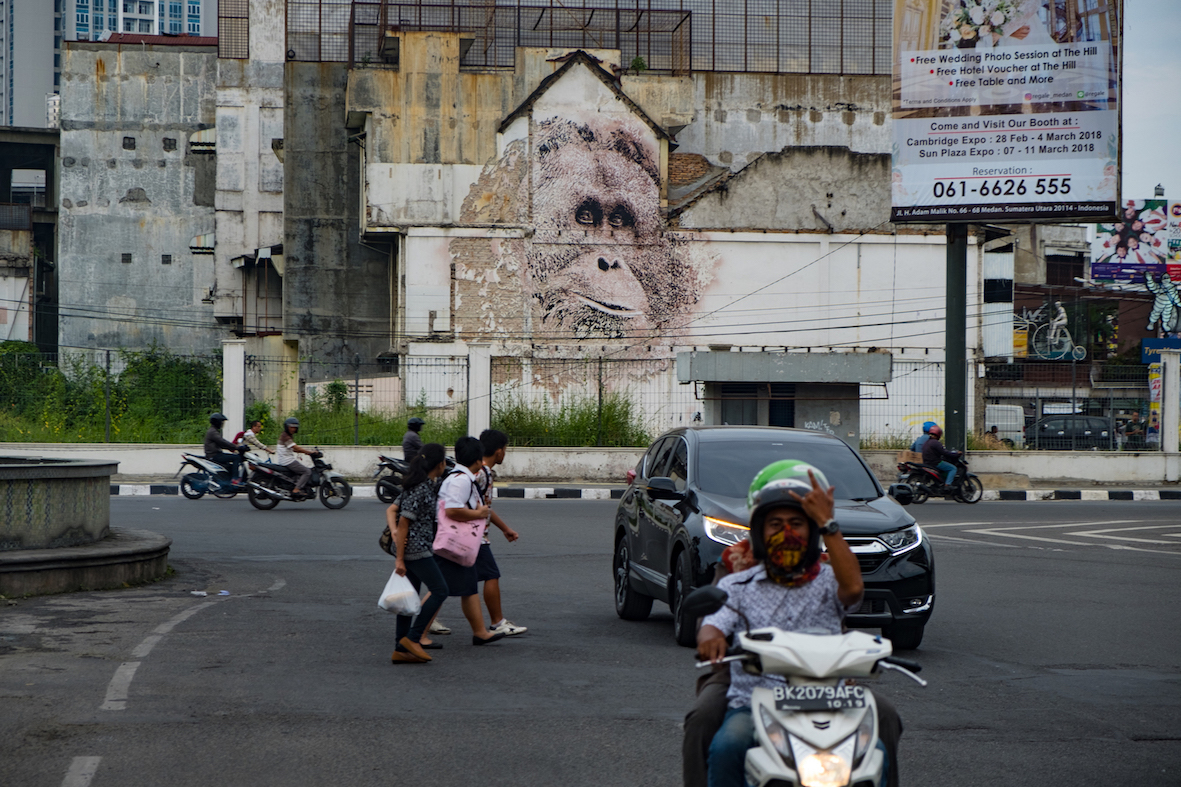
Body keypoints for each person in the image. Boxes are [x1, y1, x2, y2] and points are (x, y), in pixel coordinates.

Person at [696, 461, 902, 787]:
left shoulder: (829, 580)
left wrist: (828, 522)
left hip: (831, 702)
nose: (787, 532)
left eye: (797, 523)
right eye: (775, 524)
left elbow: (853, 590)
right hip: (757, 701)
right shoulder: (739, 584)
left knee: (874, 746)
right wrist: (711, 636)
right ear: (760, 532)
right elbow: (714, 622)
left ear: (812, 533)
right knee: (727, 745)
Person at [436, 436, 506, 646]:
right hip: (458, 541)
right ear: (477, 459)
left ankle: (480, 632)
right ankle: (417, 634)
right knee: (443, 588)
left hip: (460, 541)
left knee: (465, 588)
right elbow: (452, 509)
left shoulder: (460, 477)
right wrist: (479, 514)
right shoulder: (462, 479)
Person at [389, 442, 451, 664]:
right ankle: (413, 638)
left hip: (414, 547)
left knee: (409, 597)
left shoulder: (422, 483)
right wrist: (399, 559)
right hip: (415, 548)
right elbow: (404, 521)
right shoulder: (421, 487)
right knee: (440, 589)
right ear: (439, 463)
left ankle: (400, 647)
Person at [474, 429, 527, 637]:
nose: (505, 453)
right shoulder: (484, 473)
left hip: (472, 533)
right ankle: (497, 622)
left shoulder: (479, 471)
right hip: (475, 535)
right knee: (491, 575)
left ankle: (427, 620)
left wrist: (505, 528)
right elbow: (477, 507)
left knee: (446, 581)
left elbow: (484, 506)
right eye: (505, 449)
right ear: (498, 452)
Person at [204, 413, 247, 487]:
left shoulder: (214, 431)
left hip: (215, 454)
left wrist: (233, 448)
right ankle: (235, 479)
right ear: (217, 422)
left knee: (231, 464)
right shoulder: (213, 432)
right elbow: (223, 442)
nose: (222, 424)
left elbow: (222, 444)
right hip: (214, 455)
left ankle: (228, 481)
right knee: (236, 458)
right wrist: (237, 447)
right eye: (221, 422)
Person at [276, 417, 315, 499]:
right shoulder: (285, 436)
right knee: (307, 472)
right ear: (287, 427)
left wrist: (306, 452)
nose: (293, 429)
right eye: (291, 427)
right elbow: (295, 447)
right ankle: (296, 490)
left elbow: (294, 449)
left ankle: (296, 486)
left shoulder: (287, 435)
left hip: (286, 460)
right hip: (288, 461)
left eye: (294, 427)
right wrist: (309, 452)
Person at [922, 424, 961, 492]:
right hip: (936, 463)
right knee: (953, 468)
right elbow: (945, 452)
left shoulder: (926, 442)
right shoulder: (936, 443)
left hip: (927, 463)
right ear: (938, 434)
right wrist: (956, 454)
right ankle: (947, 485)